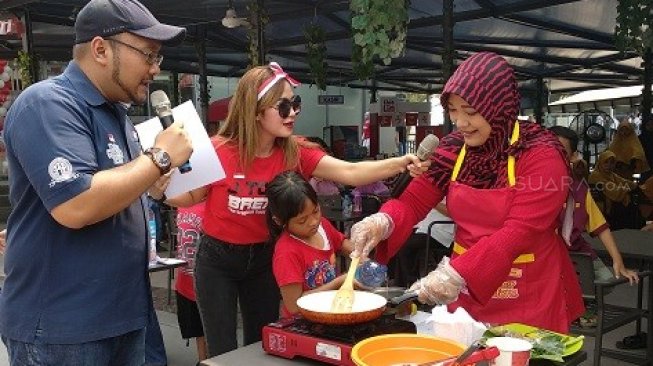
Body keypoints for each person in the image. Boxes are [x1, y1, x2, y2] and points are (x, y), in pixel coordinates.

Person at [150, 62, 427, 357]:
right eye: (283, 106)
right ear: (255, 111)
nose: (293, 112)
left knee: (261, 344)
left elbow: (350, 172)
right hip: (217, 260)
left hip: (264, 258)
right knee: (221, 349)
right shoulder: (218, 150)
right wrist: (157, 186)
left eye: (295, 103)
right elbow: (189, 196)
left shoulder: (295, 151)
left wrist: (401, 163)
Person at [0, 0, 192, 364]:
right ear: (101, 49)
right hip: (62, 327)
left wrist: (151, 184)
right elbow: (77, 205)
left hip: (122, 317)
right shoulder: (47, 103)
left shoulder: (116, 114)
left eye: (158, 58)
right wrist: (159, 158)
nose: (154, 69)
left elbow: (115, 188)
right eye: (148, 54)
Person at [348, 52, 584, 334]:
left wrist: (456, 273)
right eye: (453, 111)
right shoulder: (454, 149)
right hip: (465, 293)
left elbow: (520, 231)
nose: (460, 123)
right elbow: (413, 201)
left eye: (471, 111)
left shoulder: (540, 155)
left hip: (527, 292)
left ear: (499, 106)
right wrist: (383, 222)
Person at [549, 126, 638, 284]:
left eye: (560, 150)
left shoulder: (580, 191)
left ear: (573, 156)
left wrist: (619, 262)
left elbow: (601, 227)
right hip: (544, 257)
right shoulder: (526, 186)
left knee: (606, 282)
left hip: (576, 253)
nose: (551, 155)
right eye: (547, 148)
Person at [266, 171, 359, 316]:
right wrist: (339, 282)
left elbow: (343, 244)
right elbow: (294, 305)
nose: (314, 222)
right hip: (303, 323)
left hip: (330, 313)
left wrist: (361, 254)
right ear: (279, 221)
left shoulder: (322, 226)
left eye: (316, 211)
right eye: (302, 220)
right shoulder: (286, 252)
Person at [388, 199, 454, 288]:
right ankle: (393, 278)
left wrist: (434, 203)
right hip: (424, 227)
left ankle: (406, 284)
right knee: (396, 239)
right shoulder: (438, 191)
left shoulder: (458, 194)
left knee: (406, 247)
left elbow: (454, 213)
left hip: (441, 232)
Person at [175, 202, 208, 363]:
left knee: (211, 327)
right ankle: (202, 359)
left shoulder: (211, 204)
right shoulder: (182, 204)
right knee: (197, 328)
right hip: (185, 279)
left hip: (207, 281)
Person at [588, 150, 645, 230]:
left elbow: (623, 181)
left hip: (613, 203)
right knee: (631, 207)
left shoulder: (611, 175)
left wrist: (635, 186)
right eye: (606, 162)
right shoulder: (595, 176)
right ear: (600, 162)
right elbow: (615, 191)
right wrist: (627, 188)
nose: (609, 165)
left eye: (611, 163)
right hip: (604, 206)